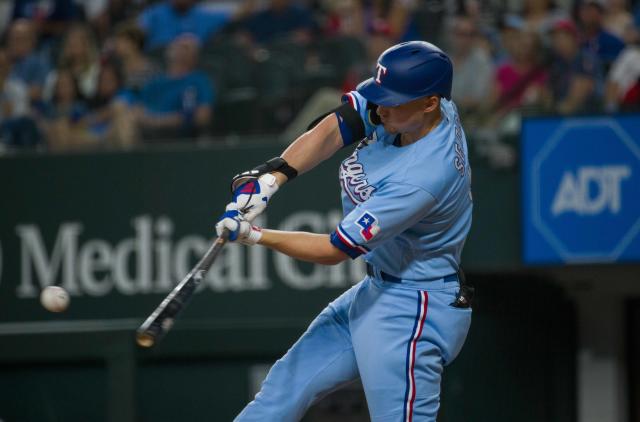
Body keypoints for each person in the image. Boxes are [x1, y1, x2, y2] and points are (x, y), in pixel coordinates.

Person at [216, 41, 473, 421]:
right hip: (377, 289)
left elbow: (335, 250)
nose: (381, 108)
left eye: (393, 100)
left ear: (430, 102)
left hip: (413, 308)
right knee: (282, 389)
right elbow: (340, 124)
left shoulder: (423, 177)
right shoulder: (420, 109)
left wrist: (254, 235)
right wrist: (273, 177)